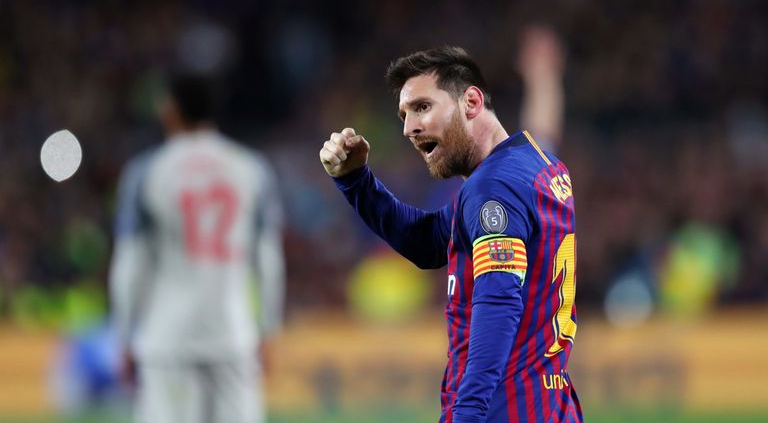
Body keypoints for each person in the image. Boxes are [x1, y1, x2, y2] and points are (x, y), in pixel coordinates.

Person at [319, 47, 582, 422]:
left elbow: (498, 302)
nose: (409, 127)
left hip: (503, 411)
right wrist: (356, 181)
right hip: (552, 407)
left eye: (422, 107)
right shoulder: (537, 164)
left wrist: (468, 413)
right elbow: (430, 243)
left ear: (471, 101)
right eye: (404, 115)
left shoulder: (493, 188)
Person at [109, 73, 285, 423]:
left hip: (168, 337)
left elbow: (131, 262)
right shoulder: (252, 169)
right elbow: (267, 260)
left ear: (171, 110)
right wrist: (267, 329)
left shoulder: (146, 172)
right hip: (232, 334)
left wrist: (126, 333)